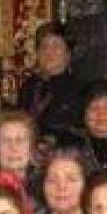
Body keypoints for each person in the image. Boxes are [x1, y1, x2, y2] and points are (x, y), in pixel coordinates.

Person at [17, 22, 89, 150]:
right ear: (37, 53)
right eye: (44, 47)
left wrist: (53, 140)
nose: (49, 52)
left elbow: (83, 133)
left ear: (68, 53)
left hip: (67, 156)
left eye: (56, 46)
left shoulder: (82, 88)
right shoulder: (29, 86)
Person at [0, 111, 44, 211]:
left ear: (32, 149)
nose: (13, 147)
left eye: (20, 140)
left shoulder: (46, 186)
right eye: (5, 140)